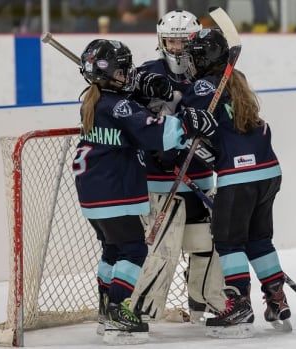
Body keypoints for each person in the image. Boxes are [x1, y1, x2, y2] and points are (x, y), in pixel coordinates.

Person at [74, 38, 218, 344]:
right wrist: (189, 123)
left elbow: (132, 120)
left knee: (112, 250)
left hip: (93, 195)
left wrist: (145, 89)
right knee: (134, 250)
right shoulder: (119, 105)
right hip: (115, 191)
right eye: (124, 72)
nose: (129, 77)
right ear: (108, 73)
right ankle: (118, 312)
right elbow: (155, 131)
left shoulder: (92, 100)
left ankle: (106, 310)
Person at [183, 28, 292, 339]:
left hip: (238, 174)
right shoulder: (237, 80)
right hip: (268, 172)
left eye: (194, 56)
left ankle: (238, 305)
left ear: (204, 59)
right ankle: (277, 300)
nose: (190, 63)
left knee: (229, 241)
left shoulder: (202, 86)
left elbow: (187, 123)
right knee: (259, 240)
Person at [129, 9, 227, 323]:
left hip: (200, 178)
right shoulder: (146, 72)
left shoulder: (205, 73)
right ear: (161, 42)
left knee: (209, 245)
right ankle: (141, 314)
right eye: (170, 41)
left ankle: (207, 304)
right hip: (161, 182)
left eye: (183, 42)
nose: (176, 48)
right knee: (163, 250)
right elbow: (129, 120)